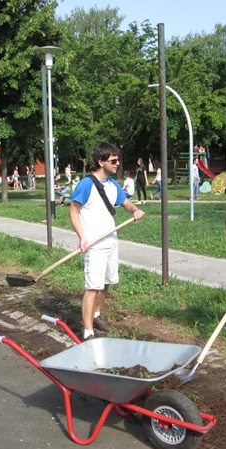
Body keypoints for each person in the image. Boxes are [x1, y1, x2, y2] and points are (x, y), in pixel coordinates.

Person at [69, 142, 145, 340]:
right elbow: (73, 211)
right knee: (92, 287)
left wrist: (135, 210)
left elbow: (126, 203)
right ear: (101, 161)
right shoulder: (86, 184)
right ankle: (87, 332)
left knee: (107, 283)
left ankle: (96, 315)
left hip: (111, 241)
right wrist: (81, 237)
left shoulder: (112, 185)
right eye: (113, 160)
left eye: (118, 160)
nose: (117, 163)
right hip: (94, 245)